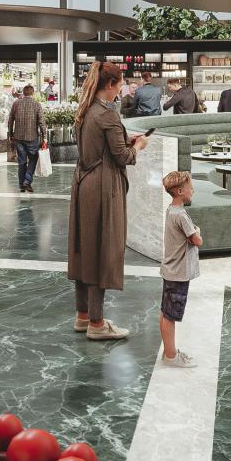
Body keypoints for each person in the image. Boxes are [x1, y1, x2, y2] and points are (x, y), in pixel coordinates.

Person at [67, 61, 149, 341]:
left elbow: (100, 148)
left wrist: (125, 142)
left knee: (82, 249)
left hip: (82, 184)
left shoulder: (85, 111)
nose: (122, 89)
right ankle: (98, 324)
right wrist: (137, 146)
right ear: (111, 85)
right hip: (102, 187)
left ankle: (83, 316)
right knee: (101, 251)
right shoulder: (108, 115)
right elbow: (123, 158)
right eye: (121, 84)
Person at [160, 170, 202, 368]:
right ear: (179, 191)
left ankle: (170, 352)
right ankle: (170, 356)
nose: (192, 190)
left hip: (171, 270)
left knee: (165, 312)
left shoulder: (171, 210)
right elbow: (197, 240)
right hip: (179, 272)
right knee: (170, 315)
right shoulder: (182, 216)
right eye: (189, 187)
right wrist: (198, 232)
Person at [8, 84, 46, 194]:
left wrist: (11, 134)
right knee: (33, 159)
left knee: (22, 162)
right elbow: (41, 122)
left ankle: (21, 185)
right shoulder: (36, 104)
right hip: (32, 137)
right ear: (32, 93)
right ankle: (27, 181)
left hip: (18, 137)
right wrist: (45, 137)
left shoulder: (16, 104)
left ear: (23, 93)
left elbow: (10, 121)